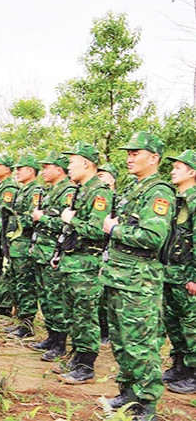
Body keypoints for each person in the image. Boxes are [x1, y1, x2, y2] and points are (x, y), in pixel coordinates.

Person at [101, 131, 175, 421]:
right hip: (119, 276)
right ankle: (129, 394)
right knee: (121, 342)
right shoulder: (135, 188)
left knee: (140, 345)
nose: (130, 158)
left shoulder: (159, 192)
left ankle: (147, 406)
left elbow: (153, 236)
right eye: (128, 153)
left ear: (153, 158)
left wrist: (114, 230)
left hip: (139, 282)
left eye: (136, 153)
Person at [54, 142, 112, 384]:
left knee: (85, 316)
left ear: (86, 163)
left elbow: (99, 231)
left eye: (71, 162)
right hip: (72, 261)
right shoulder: (82, 189)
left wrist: (71, 220)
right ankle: (77, 356)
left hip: (86, 265)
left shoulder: (100, 191)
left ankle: (86, 364)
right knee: (73, 315)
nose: (68, 166)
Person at [29, 151, 76, 361]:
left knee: (56, 299)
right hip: (41, 251)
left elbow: (67, 223)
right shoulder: (50, 190)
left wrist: (42, 218)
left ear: (59, 169)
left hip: (54, 253)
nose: (44, 171)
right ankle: (51, 337)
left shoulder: (69, 191)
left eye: (47, 167)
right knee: (46, 298)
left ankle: (60, 343)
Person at [160, 150, 196, 394]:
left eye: (178, 168)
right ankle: (180, 365)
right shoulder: (177, 199)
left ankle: (194, 374)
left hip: (187, 275)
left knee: (191, 325)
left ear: (192, 172)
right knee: (173, 322)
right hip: (171, 272)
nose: (172, 171)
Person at [6, 155, 43, 338]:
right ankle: (21, 321)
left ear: (31, 171)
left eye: (21, 168)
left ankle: (27, 325)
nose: (17, 172)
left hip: (25, 244)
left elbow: (32, 219)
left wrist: (12, 221)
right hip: (16, 244)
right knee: (16, 284)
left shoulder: (35, 191)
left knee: (25, 286)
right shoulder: (23, 190)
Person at [0, 154, 19, 317]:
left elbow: (4, 214)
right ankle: (5, 303)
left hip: (4, 234)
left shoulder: (9, 188)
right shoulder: (1, 187)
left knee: (1, 270)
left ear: (6, 169)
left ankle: (6, 304)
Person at [96, 162, 118, 345]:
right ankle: (102, 328)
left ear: (112, 178)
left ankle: (108, 331)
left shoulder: (117, 199)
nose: (99, 178)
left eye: (102, 175)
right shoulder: (98, 196)